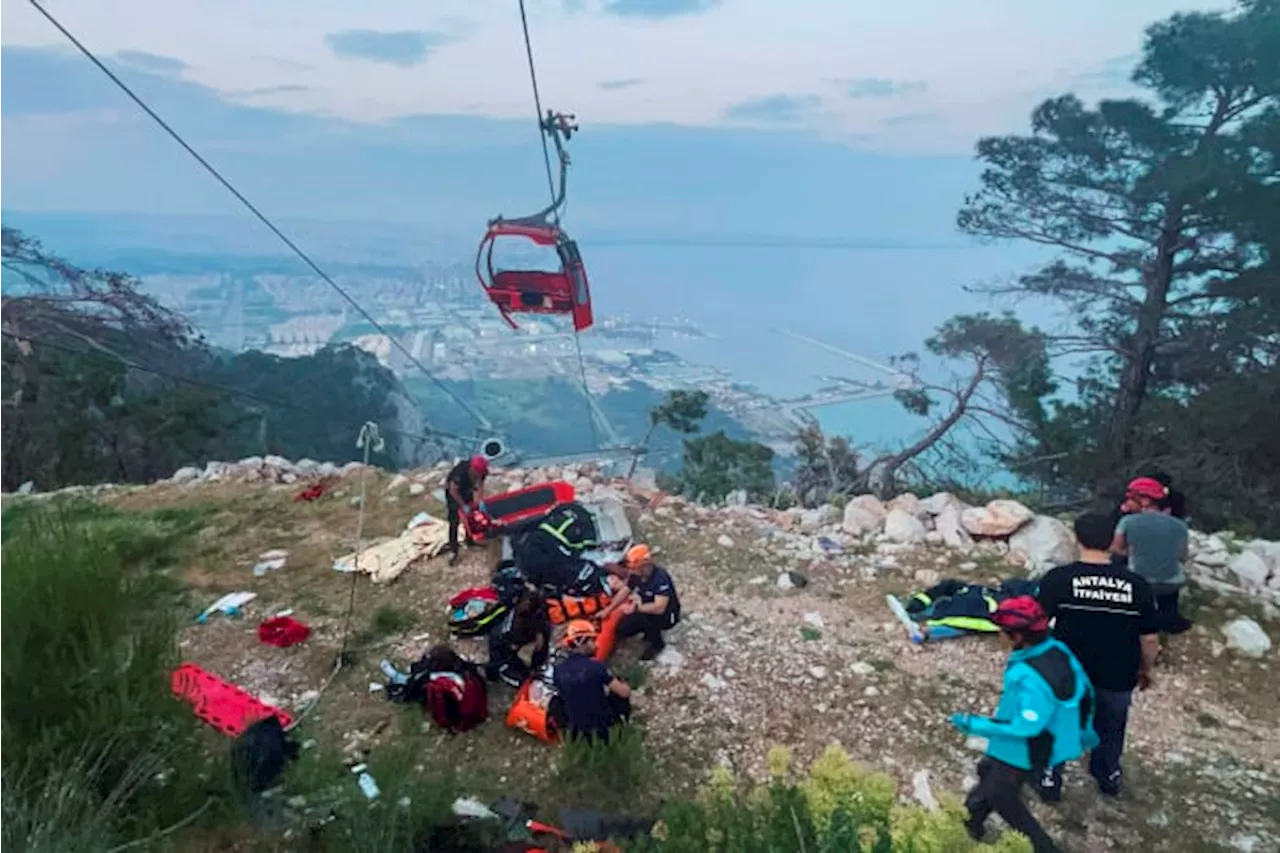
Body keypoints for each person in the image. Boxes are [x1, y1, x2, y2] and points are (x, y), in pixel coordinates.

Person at [950, 596, 1097, 853]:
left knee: (1001, 795)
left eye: (1003, 631)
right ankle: (970, 822)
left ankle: (1043, 847)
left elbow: (1026, 727)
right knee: (988, 772)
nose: (999, 636)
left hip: (1027, 746)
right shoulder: (1058, 649)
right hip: (1048, 738)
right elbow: (1086, 691)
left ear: (1018, 637)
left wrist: (975, 724)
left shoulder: (1029, 675)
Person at [1036, 513, 1161, 800]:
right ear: (1113, 542)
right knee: (1111, 726)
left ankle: (1049, 780)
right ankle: (1107, 776)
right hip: (1117, 674)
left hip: (1067, 672)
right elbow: (1150, 637)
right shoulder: (1137, 584)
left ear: (1076, 538)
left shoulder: (1059, 579)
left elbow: (1037, 626)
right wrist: (1147, 669)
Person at [1112, 477, 1192, 634]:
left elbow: (1115, 549)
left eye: (1131, 499)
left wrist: (1131, 552)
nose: (1127, 503)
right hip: (1171, 584)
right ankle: (1170, 620)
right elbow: (1182, 557)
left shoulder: (1128, 521)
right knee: (1169, 589)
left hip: (1139, 583)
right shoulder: (1180, 525)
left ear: (1145, 501)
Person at [551, 619, 632, 743]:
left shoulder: (558, 670)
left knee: (556, 701)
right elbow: (624, 693)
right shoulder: (596, 667)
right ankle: (622, 726)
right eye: (592, 641)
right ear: (582, 642)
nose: (596, 645)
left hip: (578, 729)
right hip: (603, 727)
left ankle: (568, 736)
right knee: (619, 691)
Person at [608, 544, 681, 660]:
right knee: (622, 629)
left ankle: (657, 645)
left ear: (644, 566)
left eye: (634, 568)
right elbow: (626, 590)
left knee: (647, 619)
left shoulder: (660, 579)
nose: (631, 571)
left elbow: (659, 607)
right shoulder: (636, 575)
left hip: (666, 615)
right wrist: (608, 609)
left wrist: (636, 609)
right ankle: (646, 630)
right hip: (644, 607)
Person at [485, 588, 551, 688]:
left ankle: (535, 667)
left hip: (514, 636)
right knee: (522, 680)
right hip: (504, 646)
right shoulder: (513, 628)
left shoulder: (522, 603)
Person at [445, 455, 490, 566]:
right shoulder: (460, 472)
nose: (479, 475)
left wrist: (480, 502)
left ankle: (469, 540)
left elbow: (480, 486)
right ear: (472, 469)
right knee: (454, 520)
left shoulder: (482, 472)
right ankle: (453, 550)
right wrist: (463, 505)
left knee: (470, 515)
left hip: (467, 489)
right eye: (477, 473)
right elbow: (453, 489)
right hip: (454, 494)